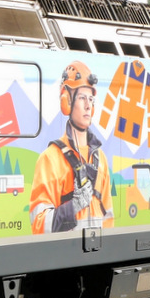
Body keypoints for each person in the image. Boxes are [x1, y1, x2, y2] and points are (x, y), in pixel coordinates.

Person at [30, 61, 114, 233]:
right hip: (64, 257)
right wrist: (72, 207)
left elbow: (108, 218)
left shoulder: (100, 159)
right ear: (67, 101)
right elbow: (39, 226)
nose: (88, 105)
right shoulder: (50, 159)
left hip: (98, 257)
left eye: (91, 99)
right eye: (82, 97)